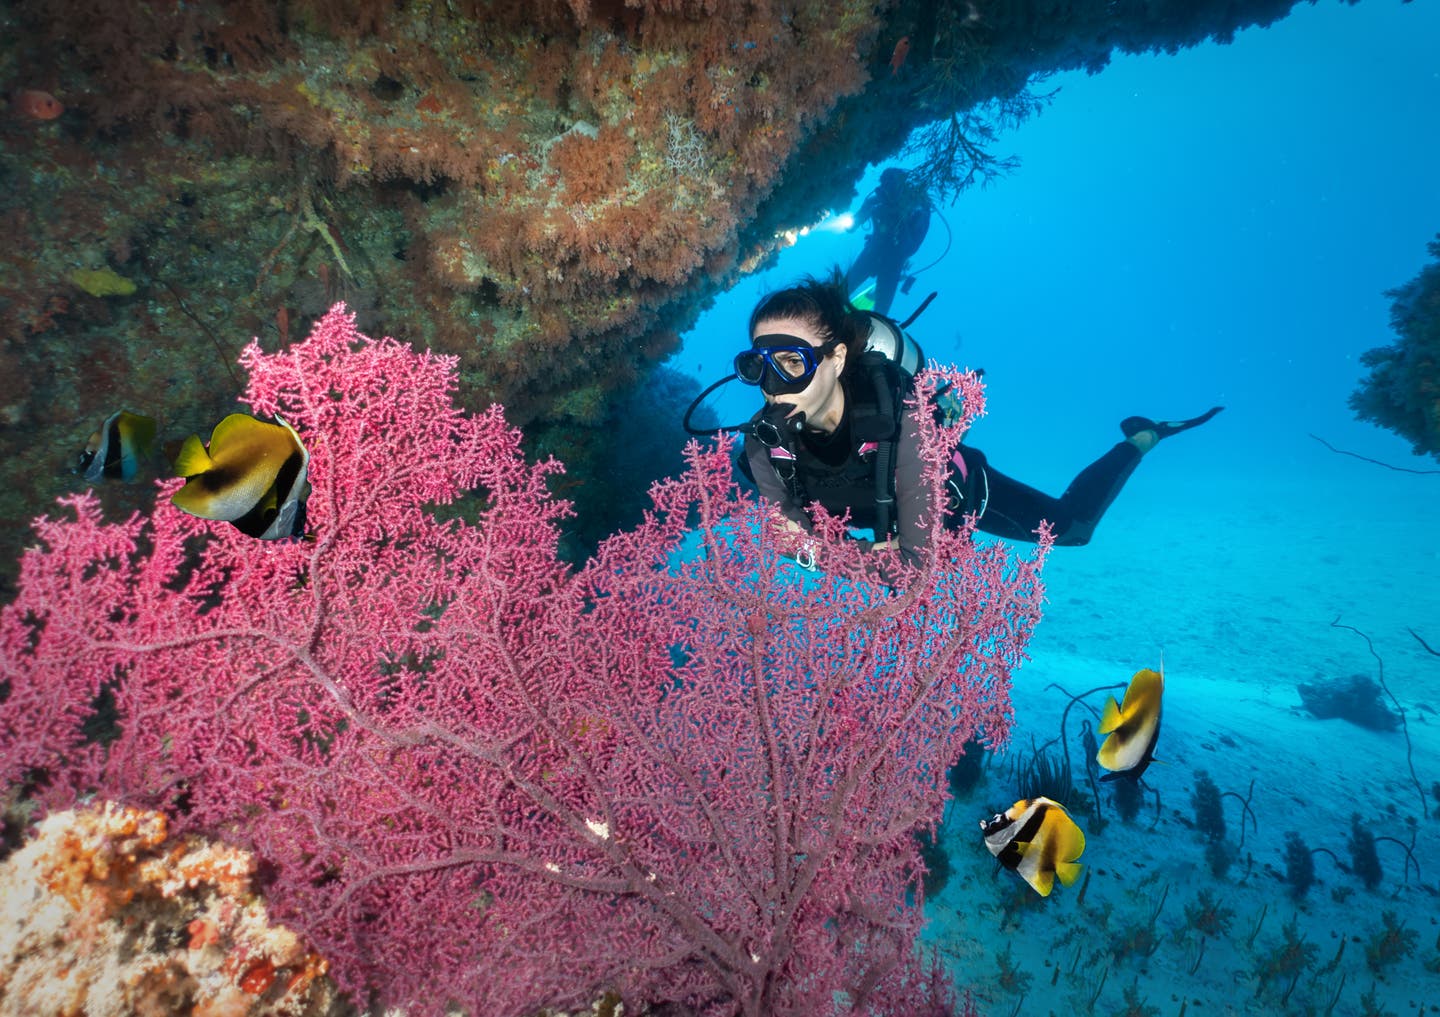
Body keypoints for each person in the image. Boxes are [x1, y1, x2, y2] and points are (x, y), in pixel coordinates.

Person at [736, 276, 1222, 565]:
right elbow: (791, 534)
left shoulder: (899, 422)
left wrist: (820, 553)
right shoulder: (762, 447)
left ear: (837, 359)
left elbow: (911, 565)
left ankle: (1140, 440)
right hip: (875, 519)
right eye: (757, 366)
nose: (773, 385)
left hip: (956, 497)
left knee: (1073, 529)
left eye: (793, 362)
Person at [846, 168, 932, 315]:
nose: (887, 187)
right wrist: (857, 220)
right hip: (874, 251)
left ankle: (873, 329)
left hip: (894, 257)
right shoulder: (875, 201)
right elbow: (853, 224)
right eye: (885, 183)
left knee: (881, 308)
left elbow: (914, 240)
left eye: (891, 182)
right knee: (845, 289)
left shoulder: (915, 205)